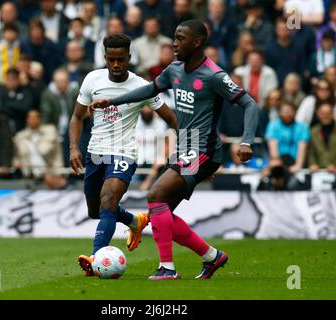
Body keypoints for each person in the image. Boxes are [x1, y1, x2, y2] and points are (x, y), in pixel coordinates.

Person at [90, 20, 259, 280]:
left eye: (180, 39)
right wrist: (111, 101)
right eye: (174, 38)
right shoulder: (175, 70)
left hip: (202, 148)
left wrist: (246, 141)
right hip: (186, 147)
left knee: (155, 193)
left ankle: (167, 269)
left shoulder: (213, 75)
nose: (174, 44)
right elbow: (148, 90)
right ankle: (213, 257)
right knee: (162, 212)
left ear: (197, 42)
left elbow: (249, 104)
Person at [69, 34, 178, 277]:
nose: (116, 65)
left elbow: (172, 119)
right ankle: (133, 221)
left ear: (129, 57)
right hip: (95, 154)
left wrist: (196, 151)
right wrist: (74, 148)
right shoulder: (92, 79)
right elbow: (76, 117)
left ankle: (95, 258)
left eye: (121, 59)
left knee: (108, 199)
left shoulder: (141, 86)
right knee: (96, 210)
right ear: (105, 58)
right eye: (111, 59)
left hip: (124, 153)